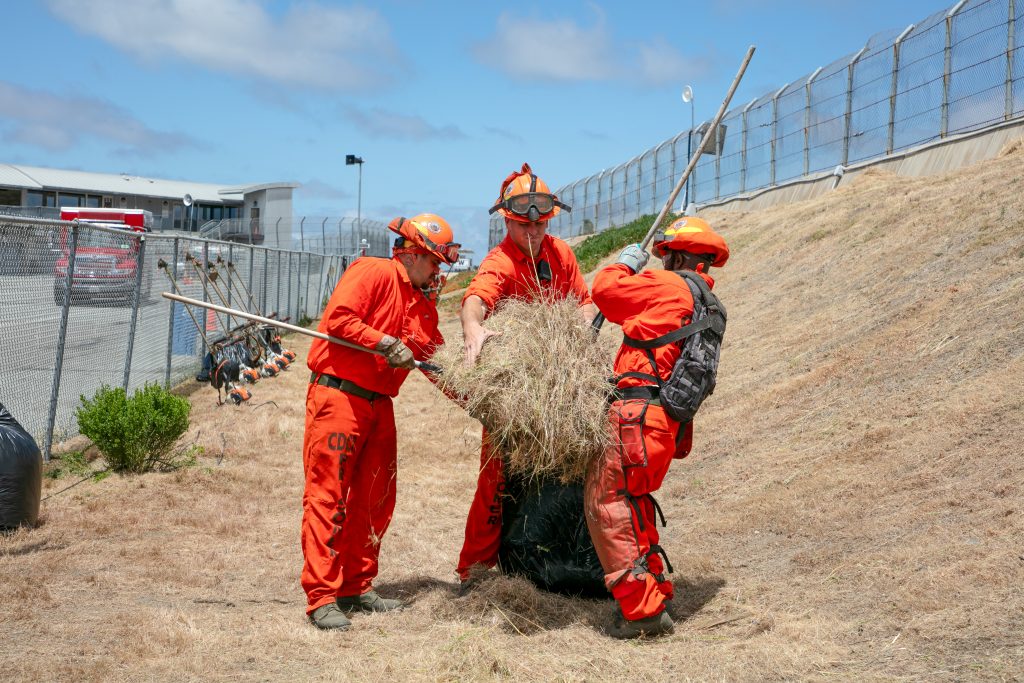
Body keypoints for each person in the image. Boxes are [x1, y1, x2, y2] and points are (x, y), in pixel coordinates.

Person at [301, 213, 460, 631]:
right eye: (434, 262)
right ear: (410, 254)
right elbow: (340, 319)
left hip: (379, 405)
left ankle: (356, 586)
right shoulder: (373, 271)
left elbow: (435, 362)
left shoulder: (422, 304)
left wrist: (480, 397)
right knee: (328, 497)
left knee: (376, 498)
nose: (438, 272)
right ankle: (322, 596)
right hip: (340, 397)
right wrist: (385, 342)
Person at [585, 216, 729, 639]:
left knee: (608, 503)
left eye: (666, 255)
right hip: (662, 422)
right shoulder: (708, 302)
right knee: (633, 502)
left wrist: (625, 263)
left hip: (636, 414)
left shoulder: (670, 286)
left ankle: (642, 612)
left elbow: (605, 293)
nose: (663, 262)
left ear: (679, 256)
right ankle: (652, 591)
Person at [458, 162, 597, 583]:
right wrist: (473, 328)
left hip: (562, 390)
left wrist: (583, 334)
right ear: (508, 221)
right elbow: (476, 298)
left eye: (538, 227)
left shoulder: (562, 254)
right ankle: (476, 571)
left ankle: (557, 560)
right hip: (516, 396)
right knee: (497, 480)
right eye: (522, 227)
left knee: (570, 471)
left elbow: (584, 301)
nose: (532, 234)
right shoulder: (500, 260)